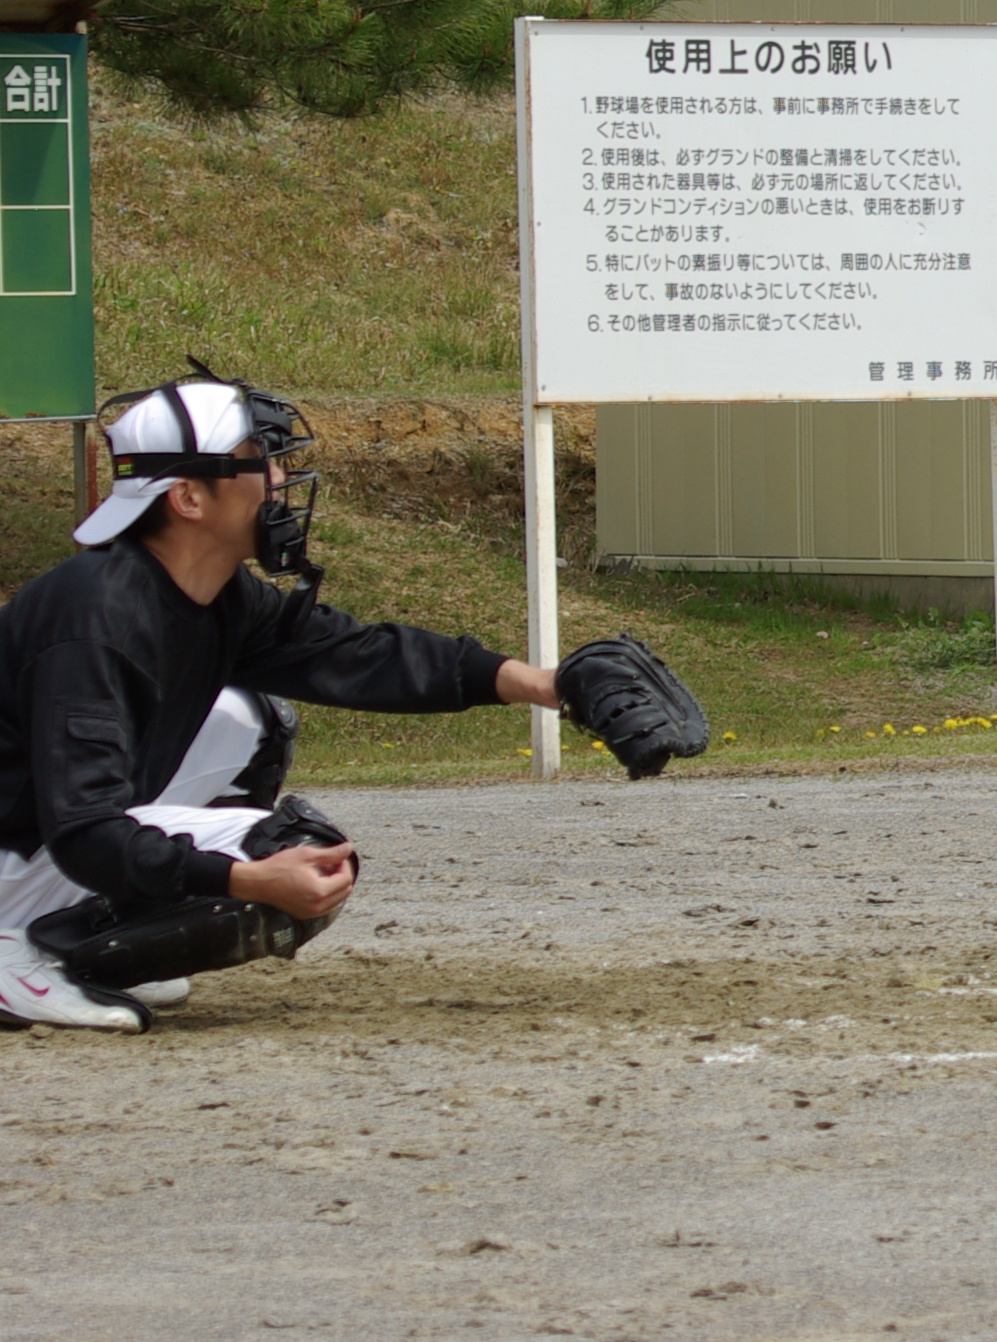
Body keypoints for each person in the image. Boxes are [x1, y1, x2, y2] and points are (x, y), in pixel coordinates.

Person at [0, 369, 635, 1031]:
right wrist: (246, 881)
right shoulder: (93, 618)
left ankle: (88, 941)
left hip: (39, 841)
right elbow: (85, 829)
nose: (279, 480)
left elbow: (355, 654)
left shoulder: (212, 594)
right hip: (34, 847)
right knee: (290, 849)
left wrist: (542, 685)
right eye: (257, 462)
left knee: (251, 721)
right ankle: (24, 954)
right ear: (188, 497)